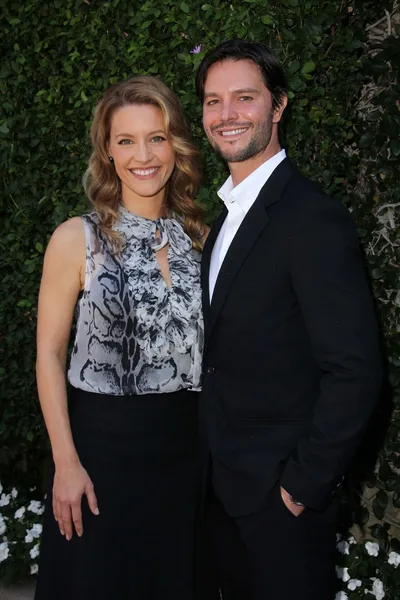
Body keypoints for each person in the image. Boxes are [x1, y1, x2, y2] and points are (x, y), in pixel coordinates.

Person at [195, 39, 382, 600]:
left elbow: (356, 371)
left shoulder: (312, 219)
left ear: (278, 107)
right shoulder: (222, 219)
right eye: (212, 101)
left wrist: (301, 487)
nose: (226, 115)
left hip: (280, 506)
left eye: (244, 98)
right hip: (219, 496)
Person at [34, 75, 206, 600]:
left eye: (156, 137)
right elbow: (48, 354)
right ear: (107, 151)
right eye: (126, 140)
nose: (143, 155)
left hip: (186, 458)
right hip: (101, 460)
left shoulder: (200, 238)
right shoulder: (76, 238)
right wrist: (66, 462)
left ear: (175, 146)